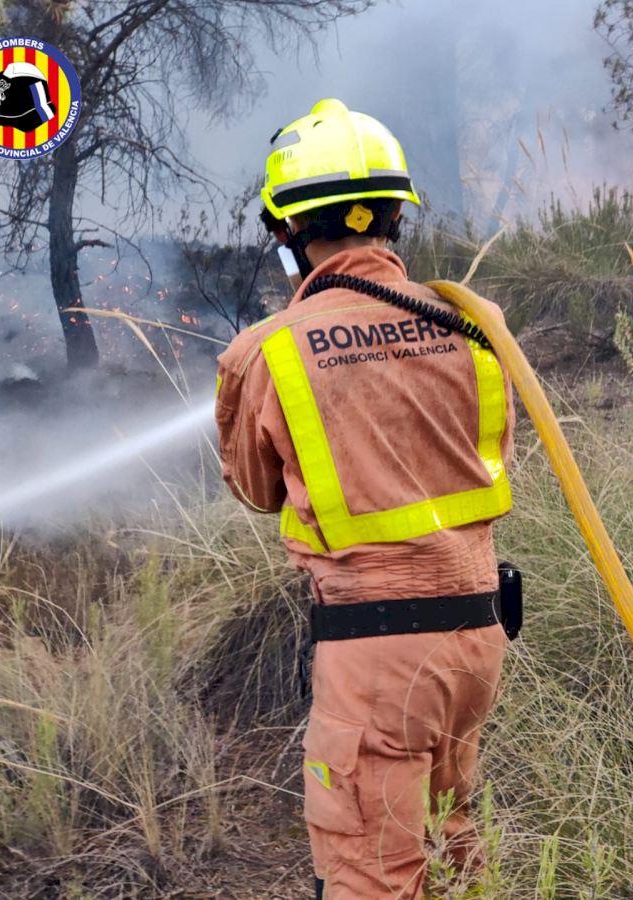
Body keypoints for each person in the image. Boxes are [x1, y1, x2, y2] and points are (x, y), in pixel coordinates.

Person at [214, 98, 515, 900]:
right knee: (452, 850)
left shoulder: (268, 351)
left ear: (288, 230)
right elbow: (484, 455)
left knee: (371, 874)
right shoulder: (474, 323)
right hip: (476, 642)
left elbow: (256, 488)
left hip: (376, 656)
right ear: (395, 217)